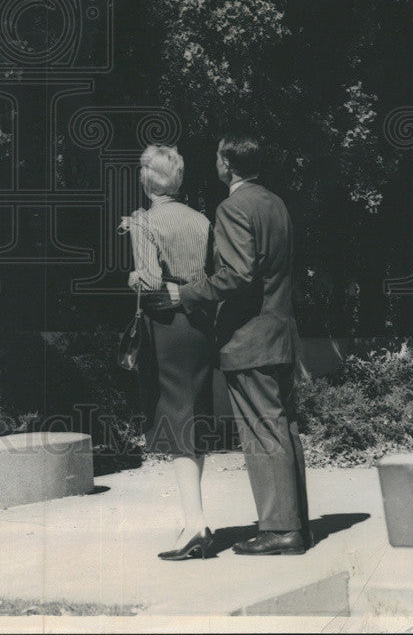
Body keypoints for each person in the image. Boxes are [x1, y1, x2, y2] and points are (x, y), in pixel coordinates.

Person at [167, 133, 312, 555]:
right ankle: (295, 524)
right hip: (281, 334)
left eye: (217, 157)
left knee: (264, 431)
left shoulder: (232, 207)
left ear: (226, 165)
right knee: (284, 428)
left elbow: (237, 275)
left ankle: (280, 529)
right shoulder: (276, 203)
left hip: (250, 340)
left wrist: (186, 293)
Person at [123, 144, 216, 561]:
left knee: (177, 421)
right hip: (200, 325)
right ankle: (194, 517)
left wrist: (132, 277)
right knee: (193, 415)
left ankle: (195, 524)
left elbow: (150, 282)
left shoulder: (142, 222)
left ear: (146, 180)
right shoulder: (202, 221)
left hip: (167, 328)